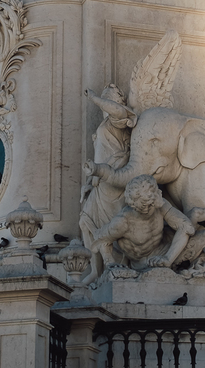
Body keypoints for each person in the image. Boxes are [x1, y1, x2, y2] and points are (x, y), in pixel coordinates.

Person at [90, 174, 205, 276]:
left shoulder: (158, 204)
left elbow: (188, 227)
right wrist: (110, 263)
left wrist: (168, 257)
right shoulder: (123, 222)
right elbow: (100, 239)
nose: (157, 204)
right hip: (147, 262)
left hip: (168, 251)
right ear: (141, 205)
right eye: (151, 204)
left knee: (196, 214)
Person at [78, 85, 137, 283]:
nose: (106, 103)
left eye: (109, 99)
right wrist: (89, 180)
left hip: (113, 177)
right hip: (99, 181)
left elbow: (117, 111)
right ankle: (97, 268)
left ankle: (113, 262)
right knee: (86, 221)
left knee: (108, 224)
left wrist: (94, 97)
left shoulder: (118, 120)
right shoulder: (106, 123)